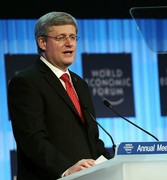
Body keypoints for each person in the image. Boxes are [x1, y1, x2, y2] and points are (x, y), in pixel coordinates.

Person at [7, 11, 112, 180]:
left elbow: (92, 138)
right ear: (42, 42)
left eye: (72, 37)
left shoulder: (79, 83)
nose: (69, 43)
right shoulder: (26, 82)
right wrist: (66, 169)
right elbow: (31, 139)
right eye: (61, 37)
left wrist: (109, 165)